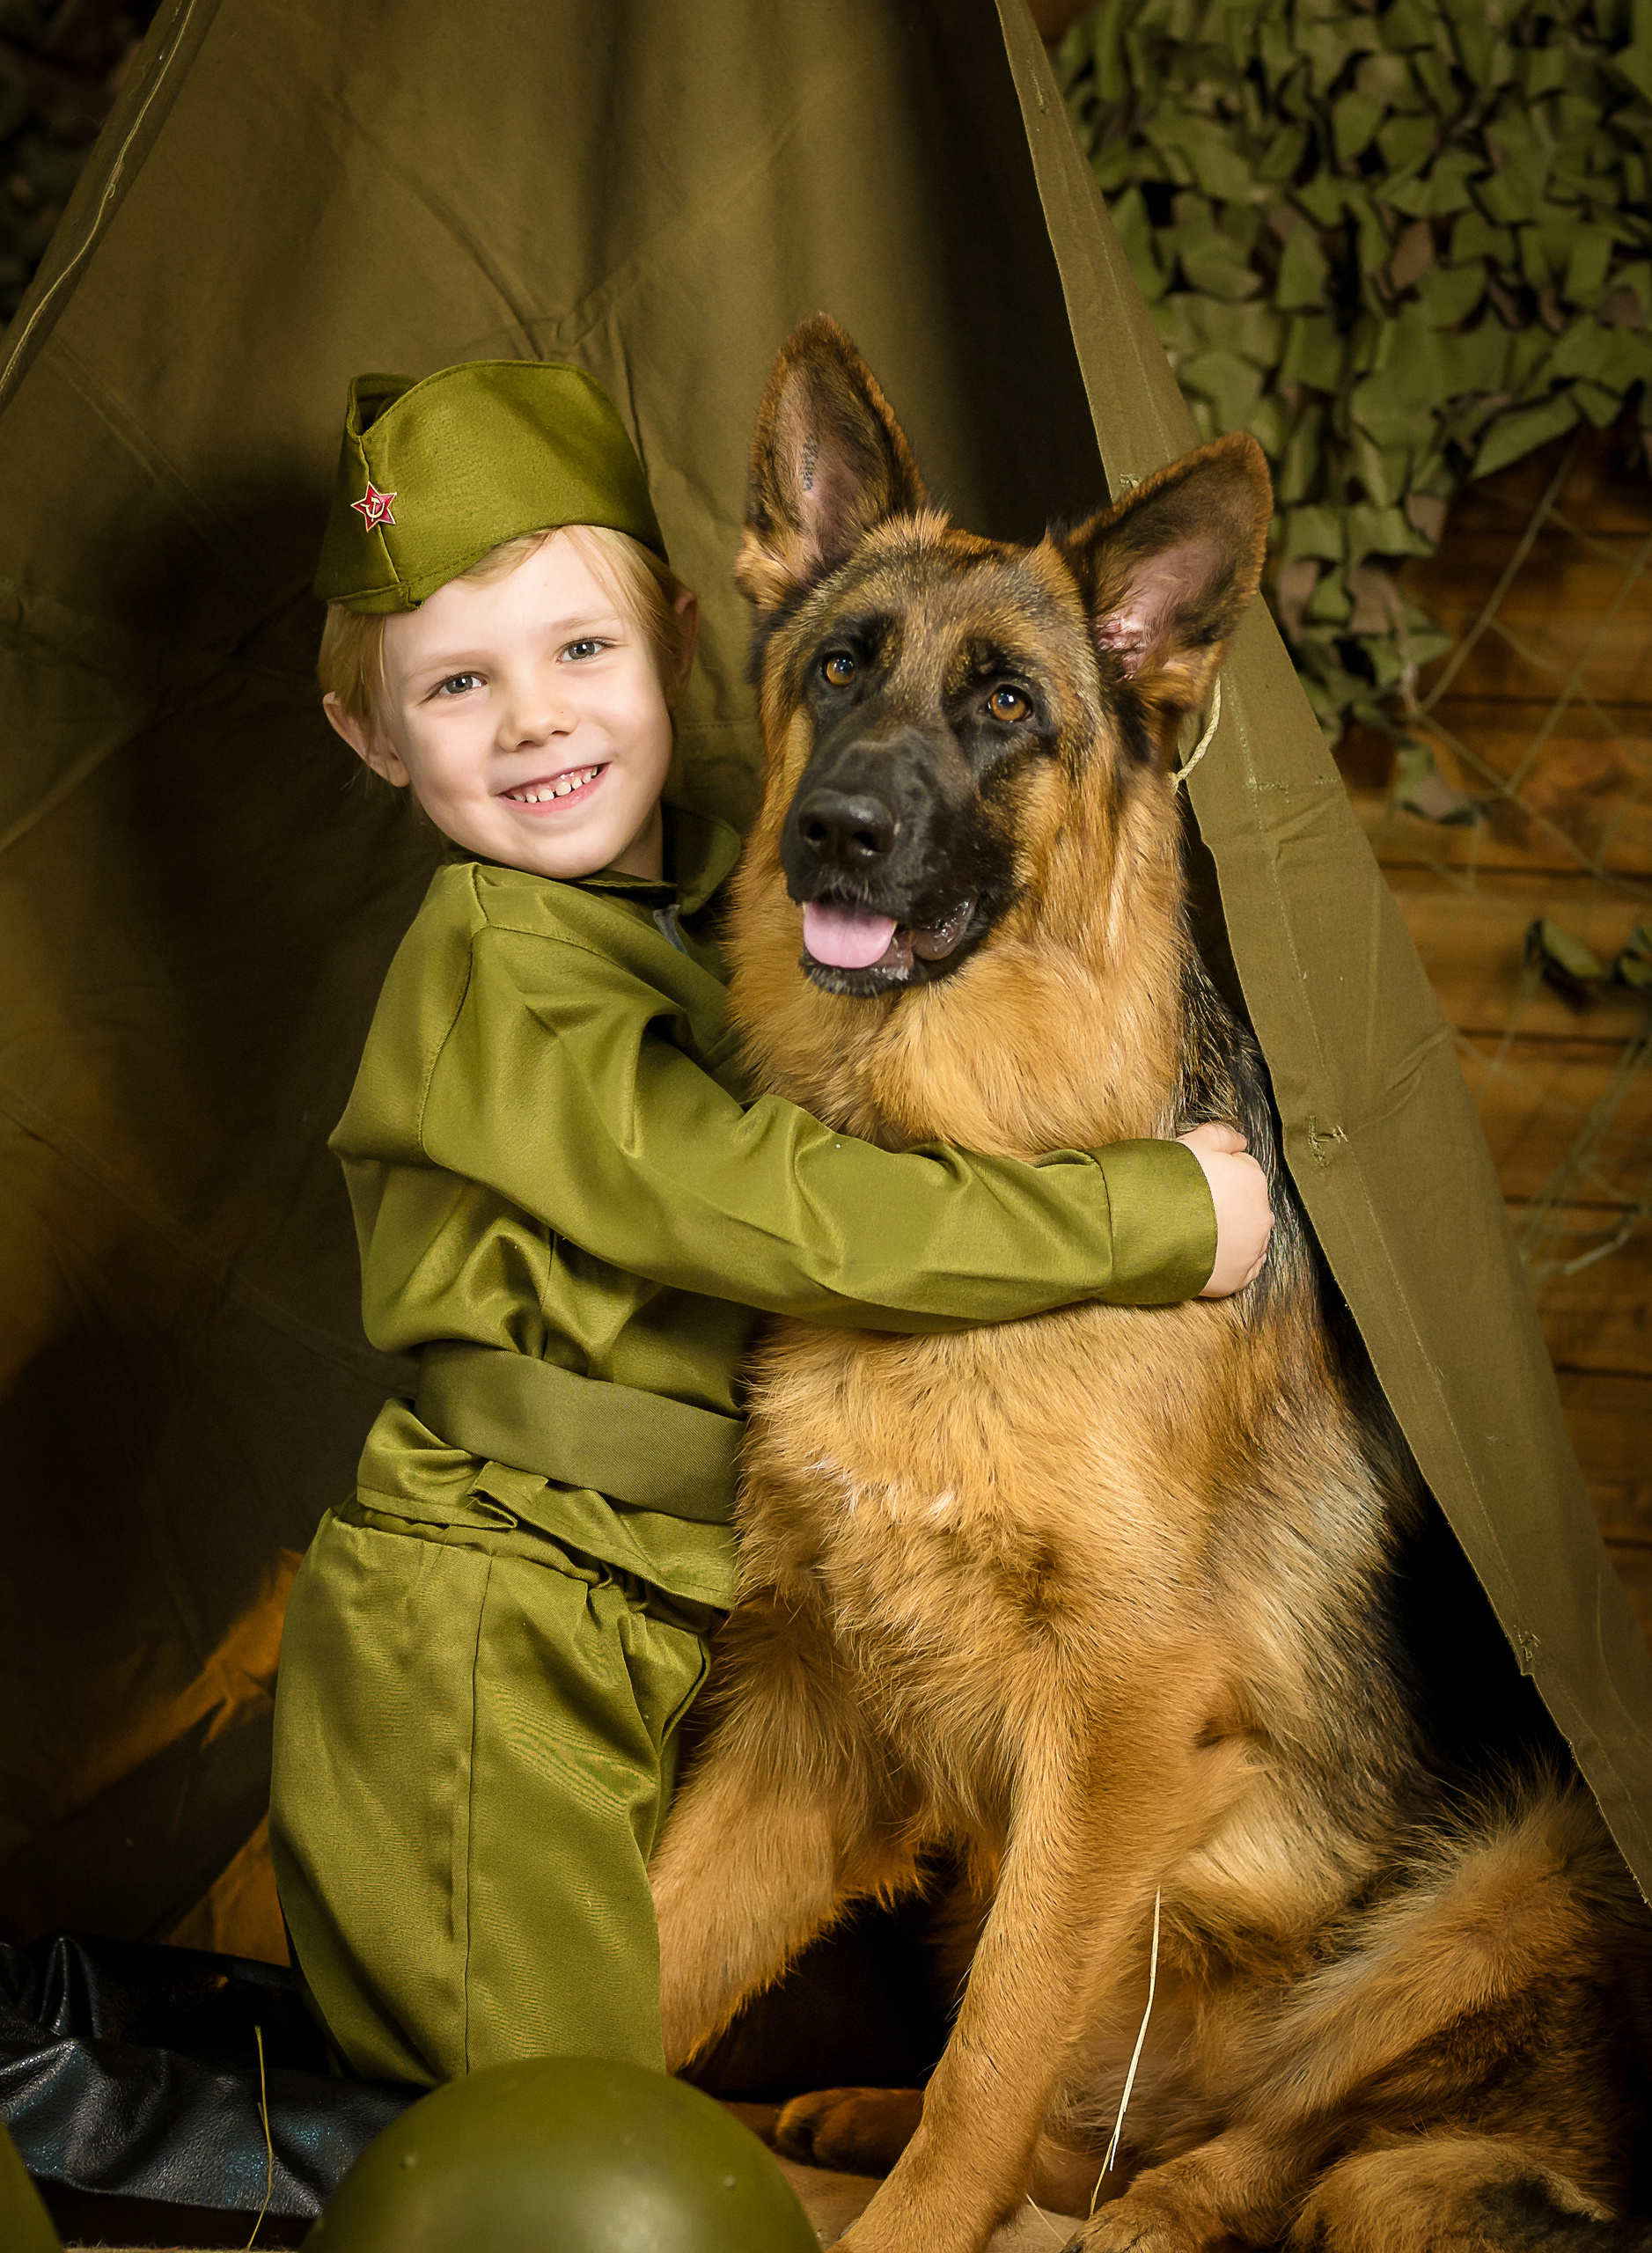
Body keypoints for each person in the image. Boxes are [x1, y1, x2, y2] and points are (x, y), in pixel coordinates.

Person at [268, 360, 1273, 2090]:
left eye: (580, 653)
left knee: (587, 2068)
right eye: (459, 682)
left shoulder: (689, 901)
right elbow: (779, 1212)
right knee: (529, 2107)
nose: (535, 723)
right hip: (493, 1614)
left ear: (671, 645)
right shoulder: (497, 962)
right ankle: (147, 2127)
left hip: (649, 1605)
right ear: (371, 735)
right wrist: (1152, 1215)